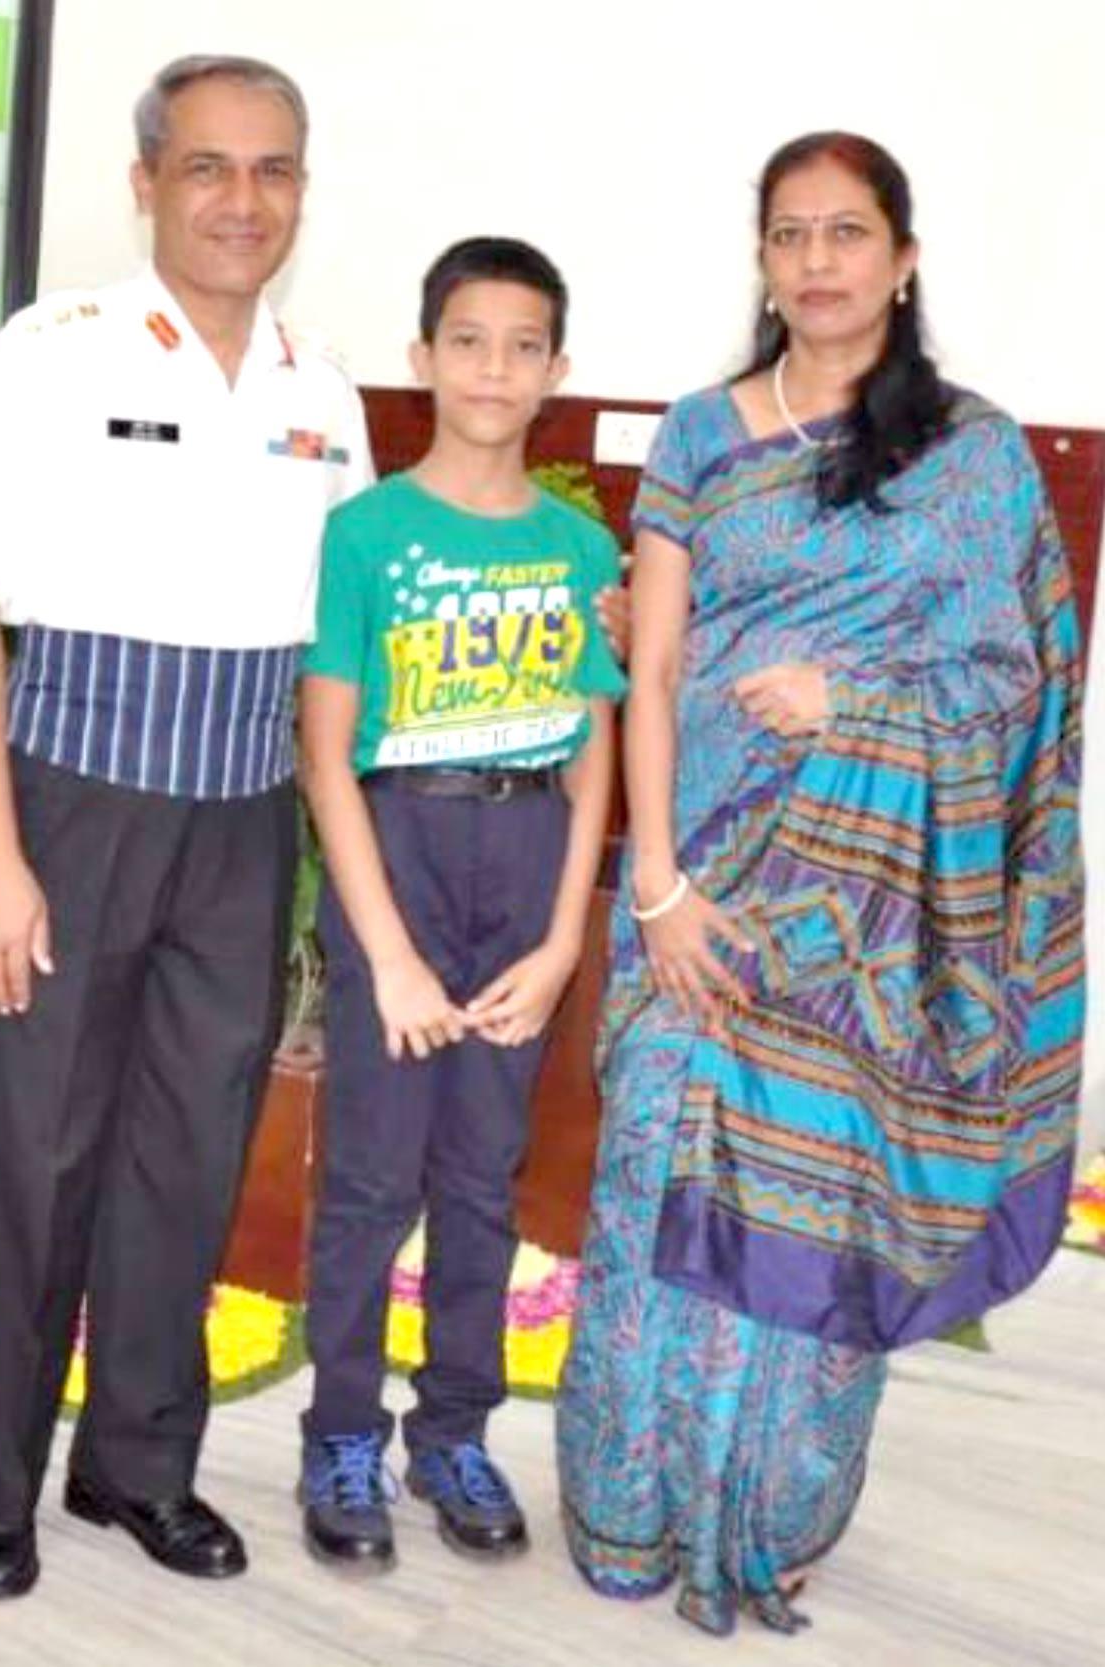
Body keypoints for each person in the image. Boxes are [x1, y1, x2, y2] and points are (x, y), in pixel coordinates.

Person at [556, 132, 1084, 1638]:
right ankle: (630, 1510)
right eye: (790, 235)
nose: (818, 262)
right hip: (702, 867)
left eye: (848, 233)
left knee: (822, 1190)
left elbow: (1017, 685)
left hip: (870, 919)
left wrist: (852, 707)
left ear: (902, 261)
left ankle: (770, 1515)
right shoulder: (701, 439)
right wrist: (652, 884)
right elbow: (649, 672)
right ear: (765, 262)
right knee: (657, 1150)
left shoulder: (972, 458)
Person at [0, 56, 372, 1599]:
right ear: (145, 184)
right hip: (73, 806)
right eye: (207, 168)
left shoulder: (325, 386)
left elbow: (339, 642)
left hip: (245, 828)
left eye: (273, 171)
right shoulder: (50, 356)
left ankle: (137, 1470)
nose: (243, 201)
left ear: (302, 192)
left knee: (190, 1158)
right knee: (35, 1159)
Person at [297, 236, 626, 1573]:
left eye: (524, 343)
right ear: (423, 358)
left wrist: (562, 940)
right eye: (469, 340)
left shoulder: (581, 545)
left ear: (558, 368)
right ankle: (339, 1436)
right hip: (402, 855)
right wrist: (385, 956)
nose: (495, 368)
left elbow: (602, 750)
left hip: (528, 856)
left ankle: (453, 1433)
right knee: (373, 1184)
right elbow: (326, 749)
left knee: (483, 1183)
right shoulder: (364, 531)